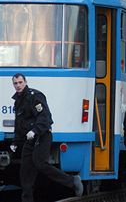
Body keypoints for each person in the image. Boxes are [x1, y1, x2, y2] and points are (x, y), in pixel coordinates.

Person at [10, 73, 83, 202]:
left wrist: (35, 130)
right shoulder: (18, 101)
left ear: (25, 82)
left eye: (20, 82)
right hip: (29, 139)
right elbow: (19, 123)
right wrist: (15, 141)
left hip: (42, 136)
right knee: (25, 173)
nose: (18, 85)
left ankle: (72, 181)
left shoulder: (35, 96)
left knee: (41, 164)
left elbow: (45, 117)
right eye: (15, 83)